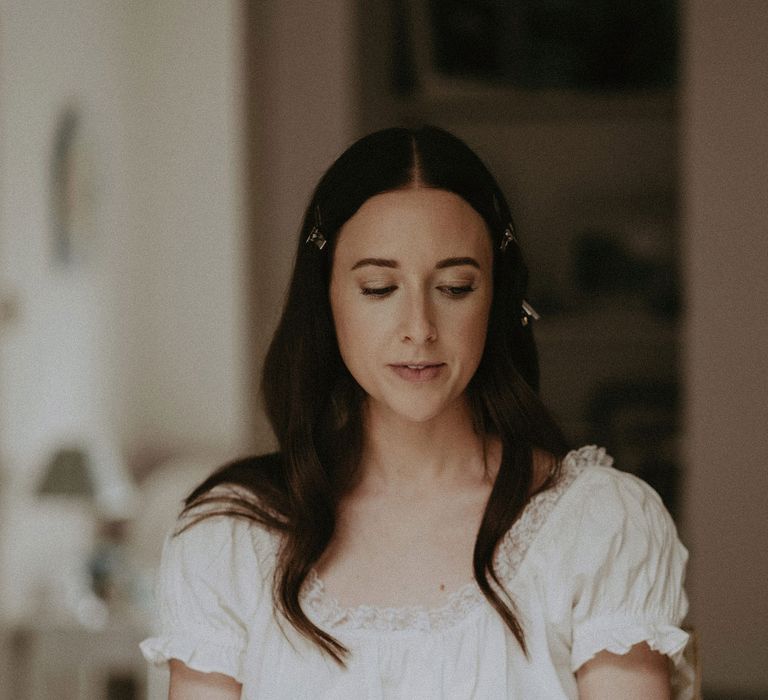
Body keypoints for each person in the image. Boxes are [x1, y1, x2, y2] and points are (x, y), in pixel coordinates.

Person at [140, 126, 690, 699]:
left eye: (454, 287)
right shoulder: (230, 540)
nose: (420, 329)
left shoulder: (597, 527)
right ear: (326, 300)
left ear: (496, 301)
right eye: (379, 288)